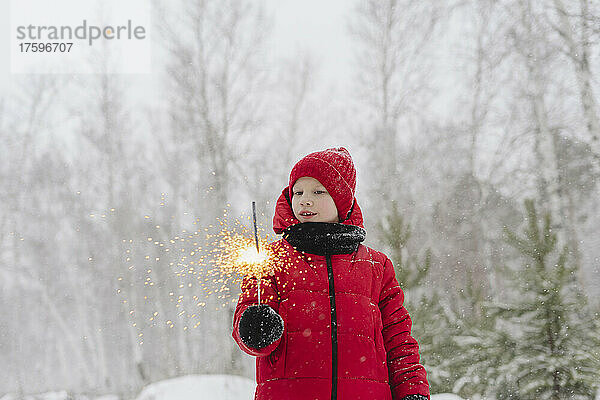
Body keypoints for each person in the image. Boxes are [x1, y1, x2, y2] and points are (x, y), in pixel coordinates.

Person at [232, 147, 430, 400]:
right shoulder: (271, 260)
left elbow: (398, 340)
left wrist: (412, 392)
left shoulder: (376, 266)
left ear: (342, 200)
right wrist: (254, 330)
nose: (305, 200)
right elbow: (248, 328)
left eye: (318, 192)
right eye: (298, 192)